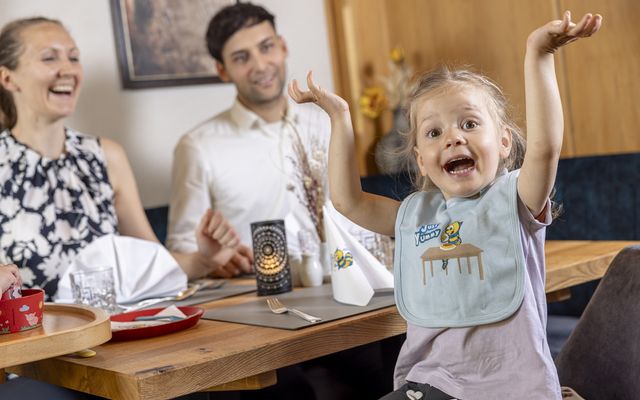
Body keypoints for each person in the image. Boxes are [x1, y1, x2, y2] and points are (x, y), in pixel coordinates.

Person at [290, 10, 602, 399]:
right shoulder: (416, 216)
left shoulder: (516, 201)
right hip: (432, 385)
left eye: (469, 124)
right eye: (434, 132)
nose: (453, 137)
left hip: (513, 389)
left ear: (504, 143)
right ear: (421, 160)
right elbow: (347, 201)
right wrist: (339, 116)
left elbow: (544, 147)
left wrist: (537, 53)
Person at [0, 17, 241, 302]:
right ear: (7, 78)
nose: (68, 70)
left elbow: (152, 267)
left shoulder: (108, 156)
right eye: (49, 58)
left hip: (112, 336)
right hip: (34, 342)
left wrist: (204, 258)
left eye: (74, 57)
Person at [167, 2, 330, 277]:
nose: (260, 65)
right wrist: (212, 263)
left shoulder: (324, 122)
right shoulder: (197, 146)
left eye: (266, 47)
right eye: (241, 58)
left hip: (333, 278)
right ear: (222, 70)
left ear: (283, 46)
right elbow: (181, 248)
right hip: (252, 292)